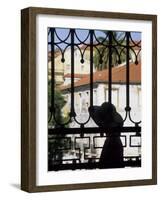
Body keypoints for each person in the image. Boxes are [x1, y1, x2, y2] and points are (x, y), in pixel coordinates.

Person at [88, 102, 124, 168]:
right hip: (116, 143)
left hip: (111, 143)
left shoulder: (106, 123)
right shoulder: (115, 121)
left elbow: (91, 109)